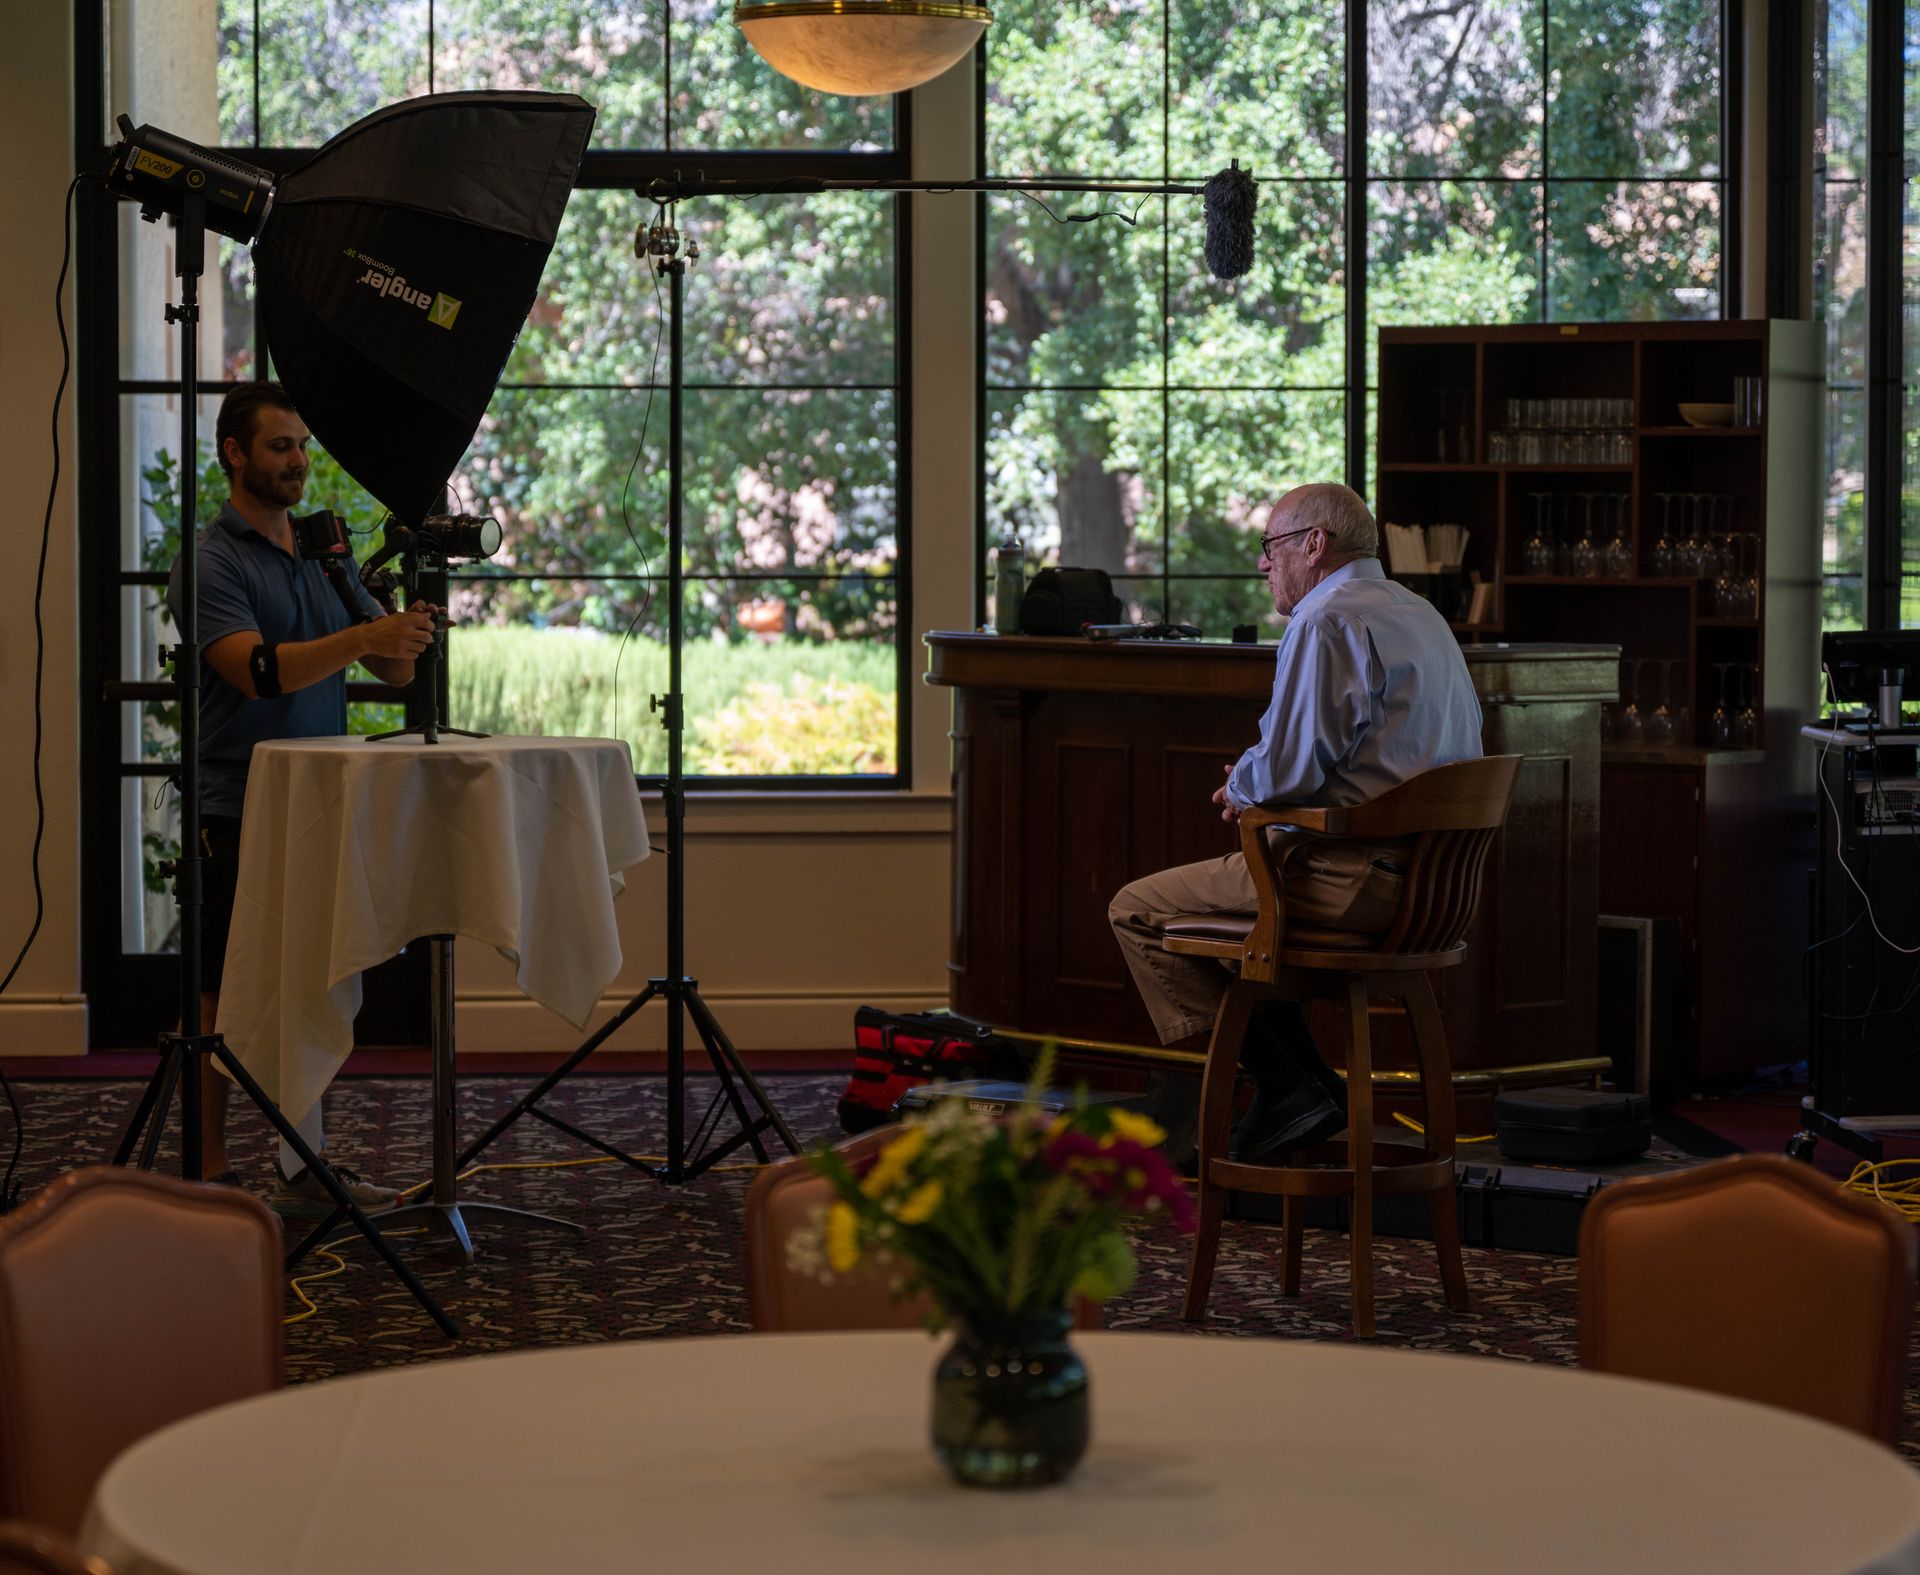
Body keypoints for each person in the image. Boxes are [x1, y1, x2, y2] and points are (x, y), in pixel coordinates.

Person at [1108, 483, 1483, 1162]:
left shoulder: (1326, 618)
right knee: (1241, 923)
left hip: (1350, 880)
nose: (1262, 565)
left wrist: (1239, 786)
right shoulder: (1420, 613)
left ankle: (1288, 1085)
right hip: (1432, 888)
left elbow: (1288, 771)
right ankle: (1304, 1087)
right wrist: (1261, 777)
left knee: (1136, 910)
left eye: (1270, 546)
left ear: (1314, 545)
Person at [165, 381, 439, 1217]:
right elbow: (256, 671)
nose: (298, 462)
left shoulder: (324, 551)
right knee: (219, 991)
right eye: (280, 446)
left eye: (302, 447)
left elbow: (393, 671)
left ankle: (302, 1168)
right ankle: (209, 1175)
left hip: (321, 803)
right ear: (235, 454)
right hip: (235, 802)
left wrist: (399, 629)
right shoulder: (210, 560)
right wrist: (361, 636)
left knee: (308, 984)